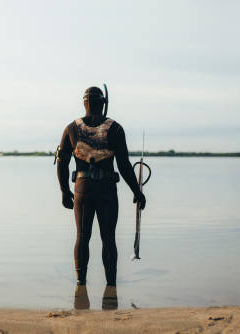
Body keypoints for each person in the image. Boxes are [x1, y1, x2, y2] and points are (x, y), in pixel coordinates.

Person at [56, 86, 147, 298]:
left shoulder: (71, 128)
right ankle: (111, 287)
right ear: (103, 103)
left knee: (82, 236)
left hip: (82, 190)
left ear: (84, 103)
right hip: (107, 190)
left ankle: (80, 285)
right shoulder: (115, 128)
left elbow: (62, 163)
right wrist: (137, 191)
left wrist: (64, 191)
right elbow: (124, 165)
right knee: (108, 238)